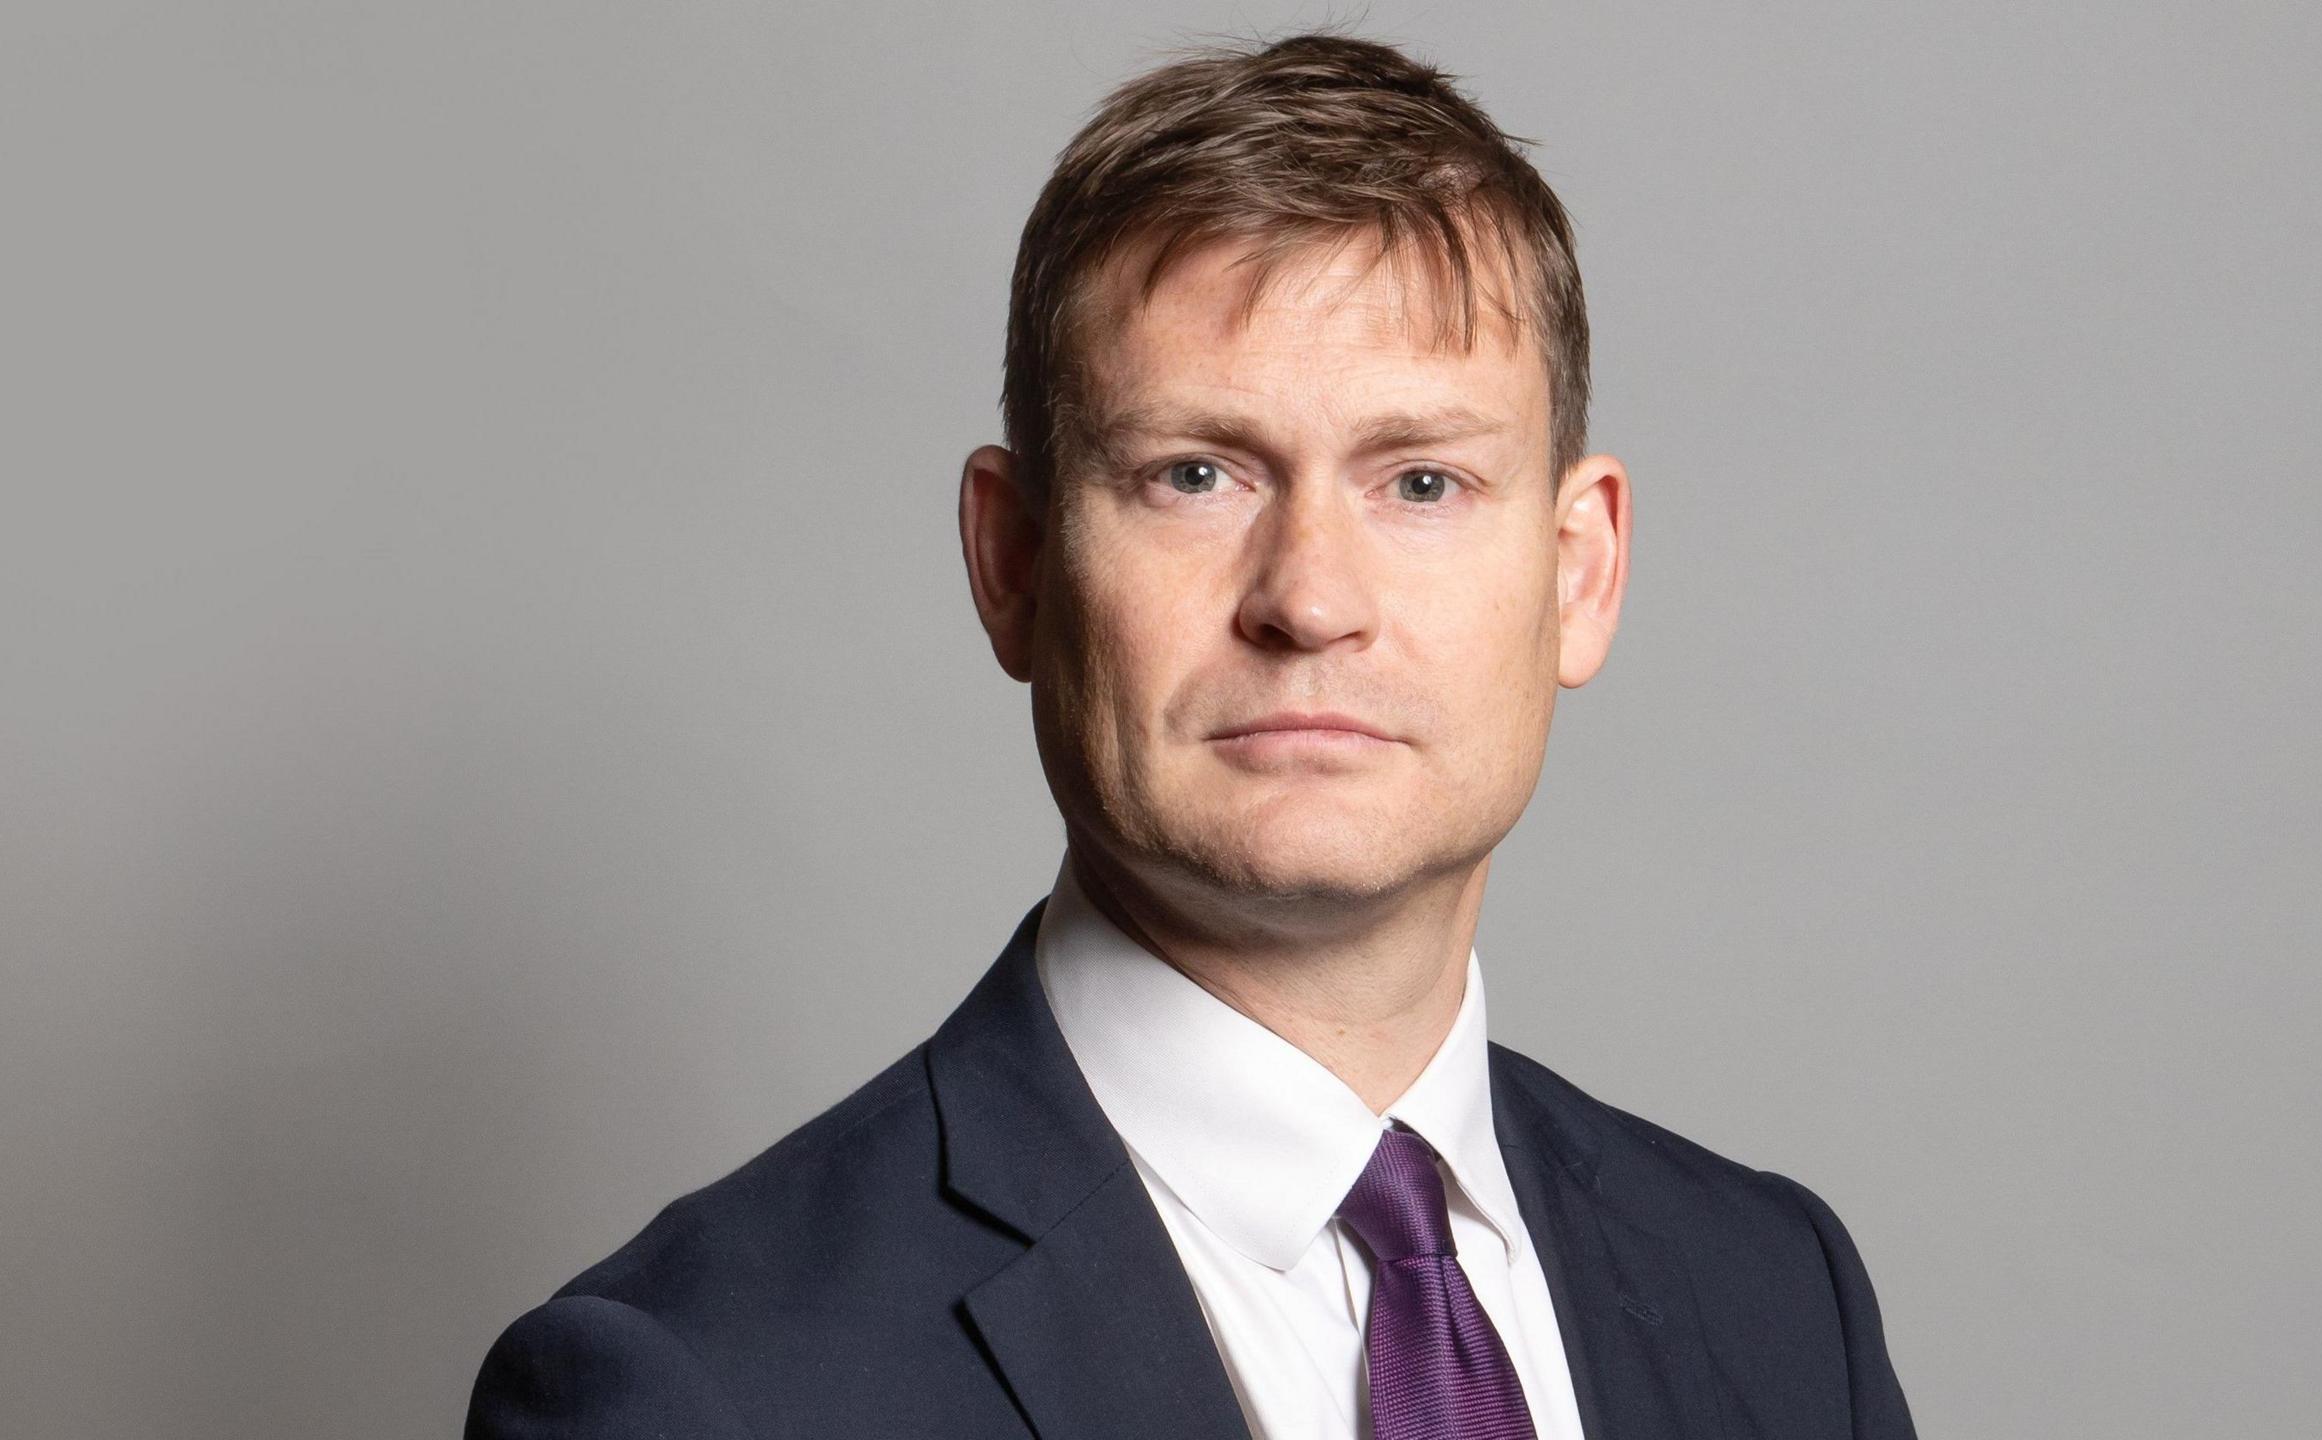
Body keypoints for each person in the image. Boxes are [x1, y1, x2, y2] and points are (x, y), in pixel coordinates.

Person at [466, 30, 1916, 1440]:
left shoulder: (1779, 1301)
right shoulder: (700, 1392)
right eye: (1196, 474)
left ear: (1580, 572)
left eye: (1420, 482)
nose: (1310, 600)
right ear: (1015, 566)